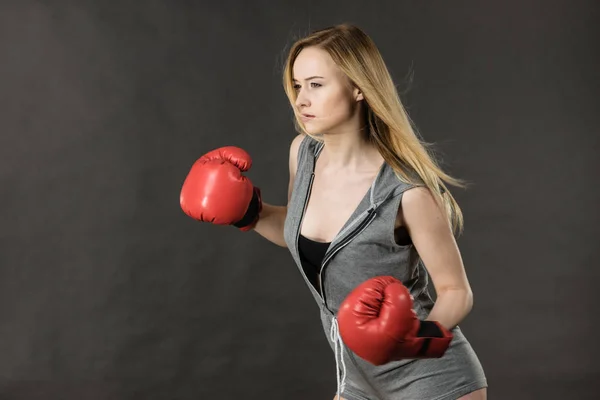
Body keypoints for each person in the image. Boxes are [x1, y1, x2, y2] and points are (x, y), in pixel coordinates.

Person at [180, 23, 488, 400]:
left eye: (316, 84)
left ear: (358, 88)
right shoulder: (304, 154)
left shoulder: (405, 192)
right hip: (356, 378)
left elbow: (457, 292)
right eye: (297, 85)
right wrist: (251, 214)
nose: (301, 99)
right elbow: (300, 232)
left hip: (433, 382)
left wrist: (413, 340)